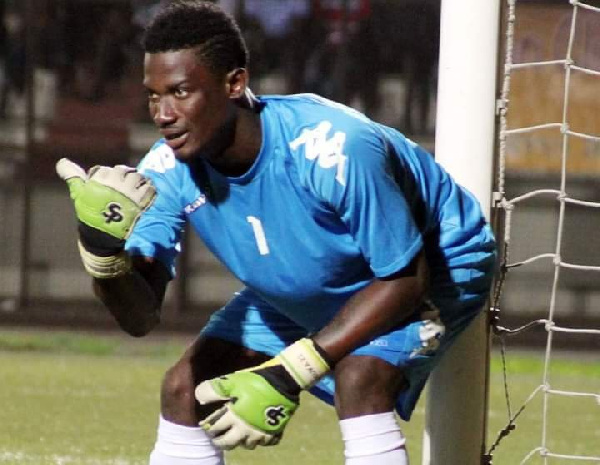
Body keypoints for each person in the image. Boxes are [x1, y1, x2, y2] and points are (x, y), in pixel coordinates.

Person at [56, 1, 496, 464]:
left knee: (360, 376)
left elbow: (405, 278)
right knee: (186, 388)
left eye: (181, 92)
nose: (163, 113)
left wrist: (290, 372)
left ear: (235, 83)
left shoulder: (334, 147)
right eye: (153, 95)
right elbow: (139, 318)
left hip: (434, 262)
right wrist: (103, 255)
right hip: (318, 276)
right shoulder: (164, 171)